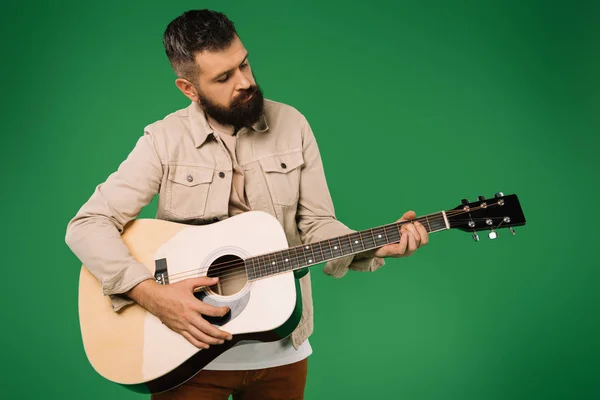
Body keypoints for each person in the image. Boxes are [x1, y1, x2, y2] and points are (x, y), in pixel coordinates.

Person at [65, 9, 429, 400]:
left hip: (282, 352)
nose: (245, 82)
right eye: (224, 77)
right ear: (189, 89)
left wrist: (373, 244)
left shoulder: (293, 125)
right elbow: (87, 225)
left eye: (244, 63)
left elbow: (319, 225)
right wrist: (150, 294)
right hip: (185, 353)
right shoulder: (163, 140)